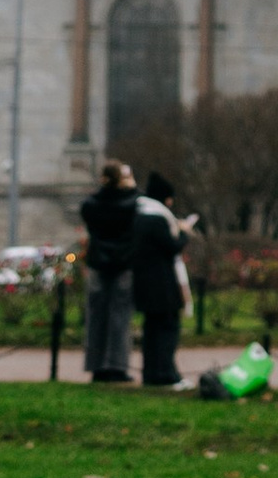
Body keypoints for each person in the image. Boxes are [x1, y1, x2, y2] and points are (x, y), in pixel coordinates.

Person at [131, 169, 194, 390]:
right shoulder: (158, 219)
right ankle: (166, 374)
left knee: (151, 331)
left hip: (144, 282)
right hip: (162, 284)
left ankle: (151, 374)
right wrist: (184, 232)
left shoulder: (138, 215)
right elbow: (171, 247)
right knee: (167, 330)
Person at [79, 160, 138, 382]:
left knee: (96, 316)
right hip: (123, 264)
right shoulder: (132, 203)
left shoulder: (91, 205)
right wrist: (131, 188)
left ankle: (96, 365)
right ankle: (117, 366)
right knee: (120, 316)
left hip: (98, 262)